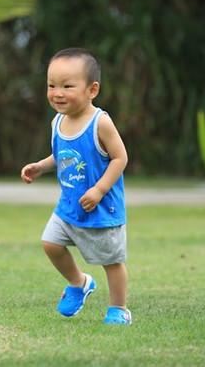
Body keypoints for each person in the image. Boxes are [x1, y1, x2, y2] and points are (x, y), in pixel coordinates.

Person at [20, 47, 131, 325]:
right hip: (69, 206)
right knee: (50, 243)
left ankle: (119, 309)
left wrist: (99, 190)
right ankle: (78, 282)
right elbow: (63, 158)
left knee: (112, 262)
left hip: (102, 208)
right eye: (51, 85)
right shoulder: (58, 122)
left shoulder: (100, 123)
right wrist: (42, 167)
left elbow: (120, 158)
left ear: (92, 90)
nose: (57, 92)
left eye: (67, 86)